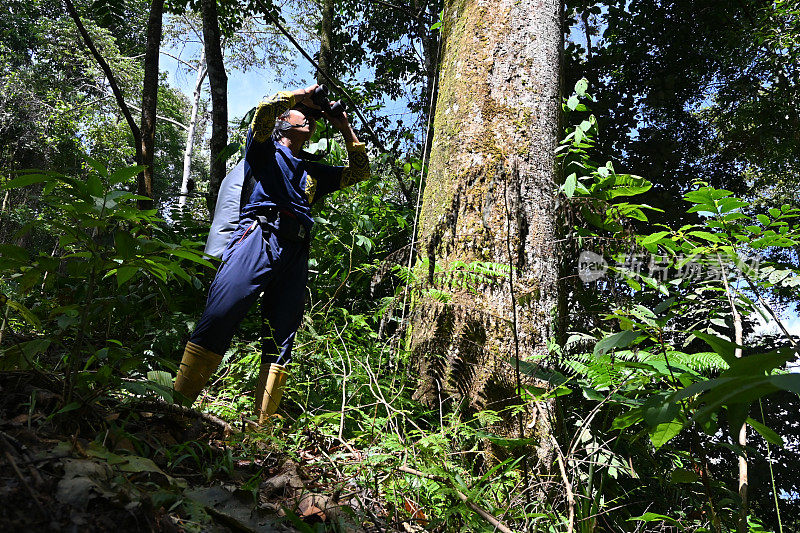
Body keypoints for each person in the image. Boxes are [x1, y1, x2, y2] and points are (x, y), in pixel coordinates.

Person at [173, 85, 370, 423]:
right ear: (283, 122)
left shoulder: (313, 170)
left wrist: (344, 127)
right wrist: (306, 93)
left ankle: (261, 430)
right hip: (257, 236)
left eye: (310, 115)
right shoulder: (262, 150)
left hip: (296, 250)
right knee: (221, 315)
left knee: (281, 337)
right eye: (301, 115)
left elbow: (359, 173)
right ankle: (174, 408)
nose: (308, 117)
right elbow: (264, 109)